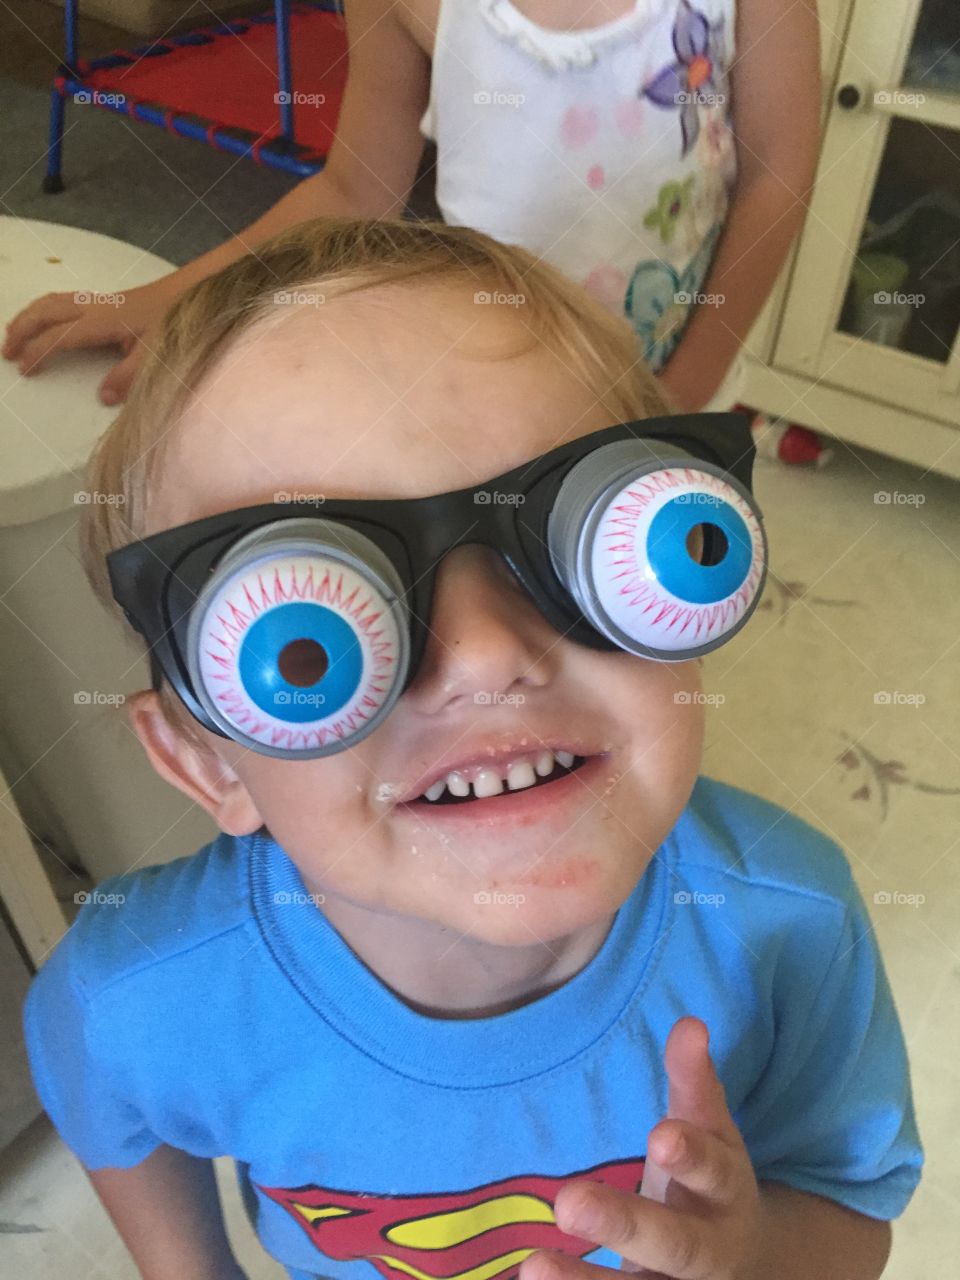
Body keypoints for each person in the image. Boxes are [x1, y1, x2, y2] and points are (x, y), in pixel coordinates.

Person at [24, 216, 919, 1280]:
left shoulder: (790, 923)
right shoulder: (142, 989)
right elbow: (107, 1099)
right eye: (306, 637)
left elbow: (850, 1204)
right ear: (210, 761)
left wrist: (755, 1251)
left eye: (586, 547)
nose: (488, 651)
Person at [2, 0, 819, 413]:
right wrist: (179, 293)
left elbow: (777, 173)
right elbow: (356, 187)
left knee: (646, 634)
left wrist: (677, 398)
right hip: (479, 381)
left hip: (671, 390)